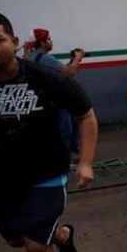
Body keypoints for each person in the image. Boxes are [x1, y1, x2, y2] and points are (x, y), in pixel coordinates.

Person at [0, 10, 98, 252]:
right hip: (0, 177)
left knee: (36, 248)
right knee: (15, 239)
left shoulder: (46, 78)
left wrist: (86, 161)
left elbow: (86, 116)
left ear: (14, 41)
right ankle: (61, 235)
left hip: (46, 171)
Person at [27, 28, 86, 157]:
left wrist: (72, 62)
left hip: (41, 101)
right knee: (65, 130)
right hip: (53, 101)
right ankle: (63, 161)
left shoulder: (31, 56)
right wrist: (78, 57)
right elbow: (70, 72)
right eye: (48, 39)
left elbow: (61, 71)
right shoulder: (44, 57)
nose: (51, 41)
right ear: (42, 42)